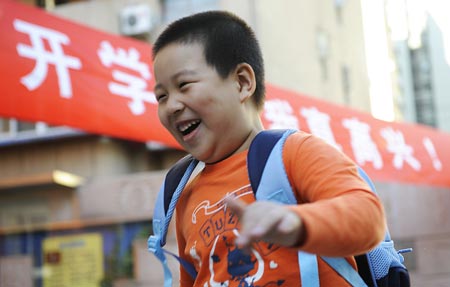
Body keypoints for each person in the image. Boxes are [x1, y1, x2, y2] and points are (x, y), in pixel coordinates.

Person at [152, 10, 386, 286]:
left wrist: (295, 223)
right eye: (162, 96)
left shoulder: (294, 152)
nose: (172, 105)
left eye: (184, 85)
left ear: (242, 82)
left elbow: (367, 217)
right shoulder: (183, 191)